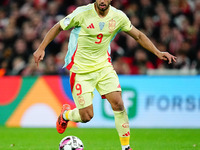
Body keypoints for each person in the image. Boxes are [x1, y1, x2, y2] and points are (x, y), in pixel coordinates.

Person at [33, 0, 177, 149]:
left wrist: (157, 52)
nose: (102, 1)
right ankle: (66, 115)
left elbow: (138, 36)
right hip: (81, 71)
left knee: (119, 104)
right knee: (86, 116)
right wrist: (41, 48)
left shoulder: (118, 17)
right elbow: (58, 27)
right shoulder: (82, 13)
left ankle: (126, 147)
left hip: (104, 67)